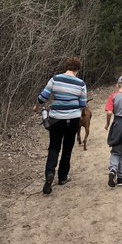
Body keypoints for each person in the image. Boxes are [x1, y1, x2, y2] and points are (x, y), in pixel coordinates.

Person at [34, 56, 87, 195]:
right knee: (67, 148)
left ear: (67, 67)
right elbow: (82, 104)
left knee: (54, 147)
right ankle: (63, 177)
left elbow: (43, 96)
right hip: (73, 119)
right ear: (78, 70)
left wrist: (37, 106)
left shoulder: (55, 79)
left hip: (56, 119)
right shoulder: (81, 83)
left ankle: (50, 174)